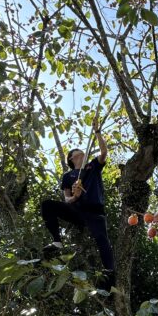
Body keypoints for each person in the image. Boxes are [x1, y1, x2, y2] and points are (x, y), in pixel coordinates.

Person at [41, 118, 114, 276]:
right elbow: (66, 199)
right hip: (78, 211)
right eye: (79, 154)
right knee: (47, 205)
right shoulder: (68, 176)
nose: (82, 155)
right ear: (71, 159)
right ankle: (57, 241)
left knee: (102, 240)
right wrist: (75, 197)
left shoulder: (92, 166)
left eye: (83, 153)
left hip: (95, 212)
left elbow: (104, 152)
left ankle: (110, 272)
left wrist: (97, 131)